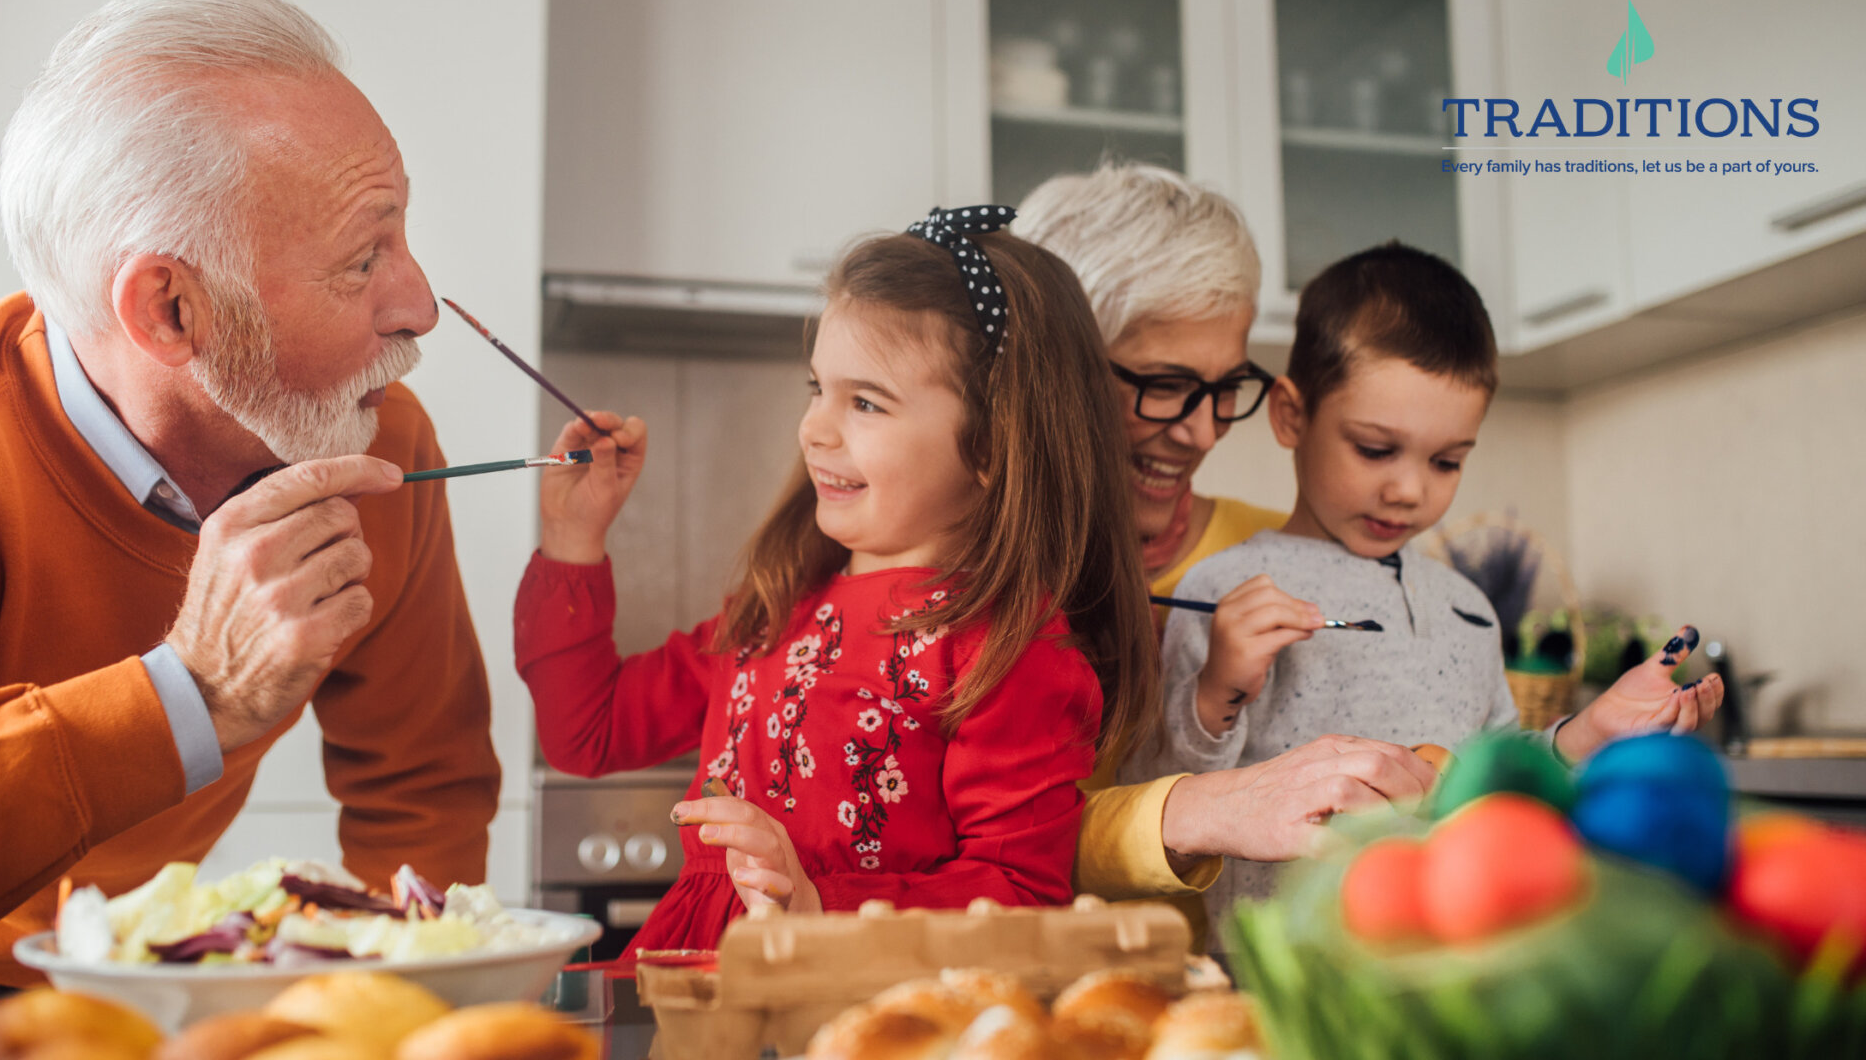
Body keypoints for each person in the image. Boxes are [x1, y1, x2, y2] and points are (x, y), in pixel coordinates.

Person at [0, 0, 499, 997]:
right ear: (170, 308)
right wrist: (189, 697)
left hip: (148, 997)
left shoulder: (371, 437)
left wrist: (395, 1013)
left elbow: (423, 791)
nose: (420, 305)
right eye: (362, 257)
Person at [515, 207, 1159, 953]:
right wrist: (572, 538)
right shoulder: (772, 611)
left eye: (864, 402)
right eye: (816, 387)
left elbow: (1018, 896)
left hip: (848, 1010)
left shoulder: (1011, 650)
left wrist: (821, 907)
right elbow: (585, 732)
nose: (815, 428)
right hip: (696, 992)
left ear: (991, 444)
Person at [1127, 242, 1724, 940]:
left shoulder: (1466, 608)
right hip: (1295, 970)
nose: (1409, 489)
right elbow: (1166, 796)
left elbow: (1501, 773)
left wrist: (1593, 730)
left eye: (1446, 462)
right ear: (1291, 415)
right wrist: (1217, 689)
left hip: (1455, 956)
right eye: (1375, 449)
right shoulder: (1227, 589)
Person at [1015, 164, 1436, 910]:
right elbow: (986, 842)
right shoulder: (970, 579)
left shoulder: (1276, 559)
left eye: (1223, 389)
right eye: (1165, 384)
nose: (1203, 430)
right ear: (1055, 374)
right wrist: (1206, 808)